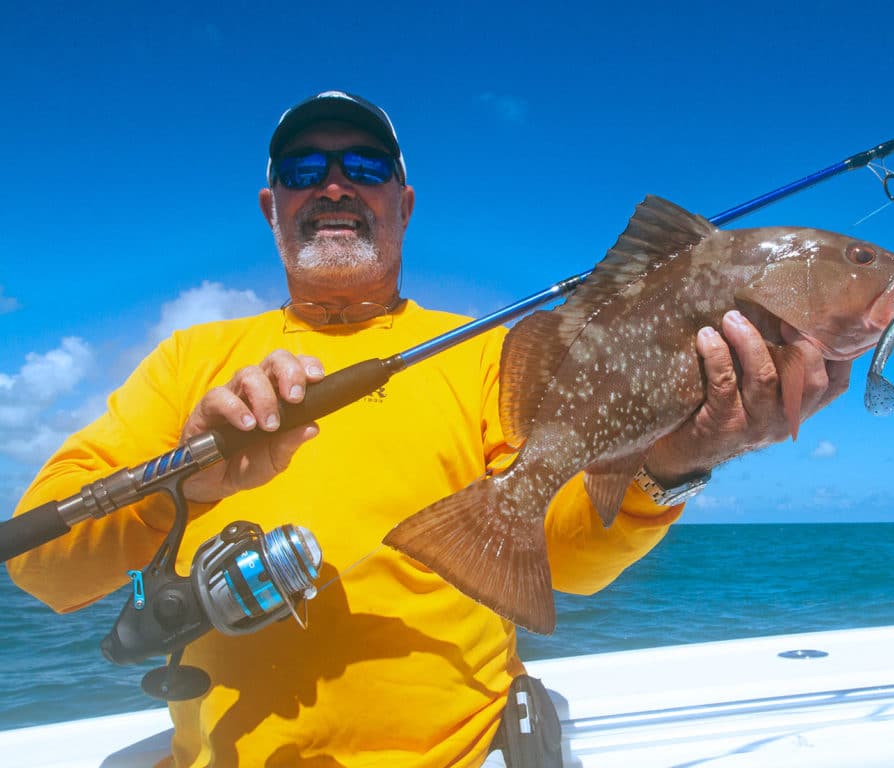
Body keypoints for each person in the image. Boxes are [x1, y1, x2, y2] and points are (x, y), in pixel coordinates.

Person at [7, 91, 851, 767]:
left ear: (402, 203)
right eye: (305, 169)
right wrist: (178, 486)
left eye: (363, 166)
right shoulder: (190, 360)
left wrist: (677, 458)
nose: (333, 186)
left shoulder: (485, 352)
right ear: (273, 206)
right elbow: (42, 569)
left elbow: (568, 561)